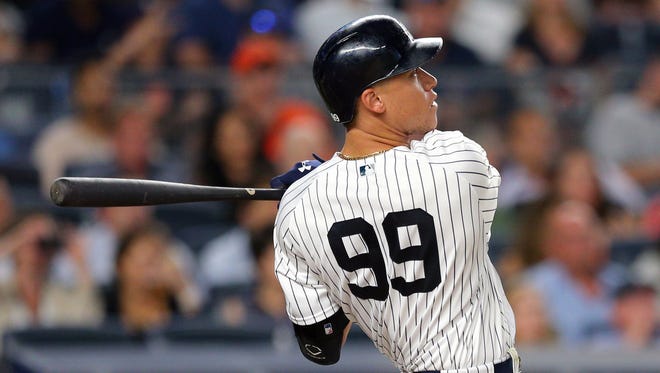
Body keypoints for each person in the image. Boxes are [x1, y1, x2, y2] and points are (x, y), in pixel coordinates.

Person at [271, 15, 519, 372]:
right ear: (373, 100)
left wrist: (313, 187)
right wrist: (321, 175)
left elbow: (322, 347)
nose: (431, 82)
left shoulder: (297, 210)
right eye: (412, 76)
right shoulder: (459, 160)